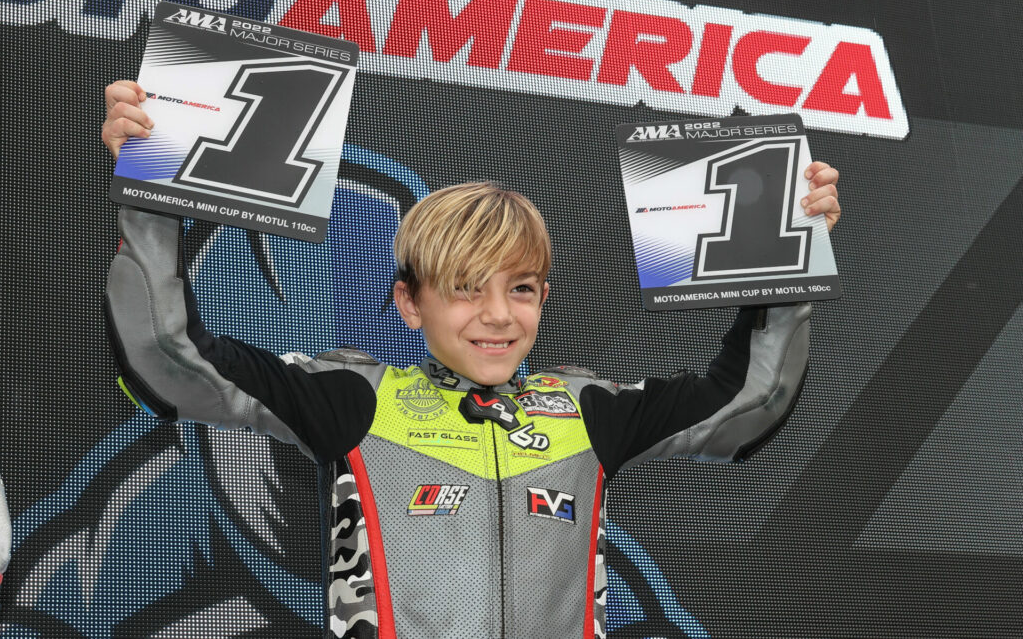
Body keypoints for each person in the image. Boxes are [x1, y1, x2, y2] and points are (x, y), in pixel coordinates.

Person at [102, 80, 841, 639]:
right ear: (409, 303)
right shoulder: (353, 396)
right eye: (463, 289)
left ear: (544, 296)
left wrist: (787, 256)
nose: (496, 314)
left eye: (519, 288)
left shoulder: (586, 406)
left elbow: (749, 405)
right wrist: (153, 192)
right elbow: (171, 359)